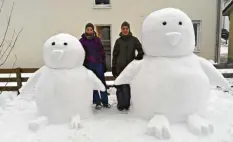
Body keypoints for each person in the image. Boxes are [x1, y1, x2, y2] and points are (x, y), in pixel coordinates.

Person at [112, 21, 144, 111]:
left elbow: (141, 50)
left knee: (127, 87)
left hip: (130, 68)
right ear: (121, 30)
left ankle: (126, 105)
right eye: (123, 29)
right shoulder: (118, 41)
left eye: (126, 28)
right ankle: (120, 104)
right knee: (120, 86)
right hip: (119, 67)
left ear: (129, 29)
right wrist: (114, 67)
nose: (125, 30)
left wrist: (137, 58)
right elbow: (114, 55)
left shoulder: (134, 40)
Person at [80, 23, 111, 110]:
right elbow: (80, 54)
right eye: (88, 29)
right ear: (85, 30)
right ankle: (97, 102)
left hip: (98, 64)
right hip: (89, 65)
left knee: (102, 82)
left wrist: (103, 63)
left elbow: (102, 52)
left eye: (91, 29)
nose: (89, 31)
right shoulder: (82, 41)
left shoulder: (97, 40)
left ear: (93, 30)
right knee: (93, 83)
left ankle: (105, 101)